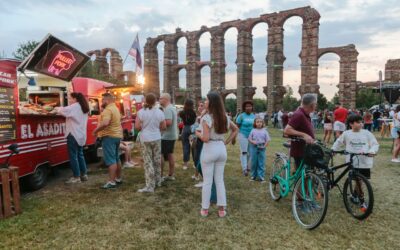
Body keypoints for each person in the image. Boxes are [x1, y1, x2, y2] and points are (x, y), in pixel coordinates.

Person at [195, 92, 238, 218]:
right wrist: (226, 142)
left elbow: (205, 138)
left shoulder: (206, 118)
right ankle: (221, 209)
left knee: (207, 181)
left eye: (207, 100)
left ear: (212, 102)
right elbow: (235, 129)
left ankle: (205, 208)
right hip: (221, 148)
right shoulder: (224, 116)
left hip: (210, 148)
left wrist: (197, 133)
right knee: (219, 180)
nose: (205, 102)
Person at [332, 114, 379, 210]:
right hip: (352, 161)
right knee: (358, 181)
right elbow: (338, 142)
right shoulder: (346, 133)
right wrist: (333, 150)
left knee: (360, 181)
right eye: (358, 122)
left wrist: (372, 151)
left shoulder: (367, 133)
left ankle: (355, 195)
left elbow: (375, 144)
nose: (361, 124)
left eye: (361, 122)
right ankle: (360, 199)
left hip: (364, 161)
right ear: (351, 124)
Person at [55, 92, 89, 184]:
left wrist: (55, 108)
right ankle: (84, 174)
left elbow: (62, 110)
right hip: (81, 134)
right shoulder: (84, 107)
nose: (69, 100)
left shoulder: (74, 106)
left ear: (75, 99)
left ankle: (76, 177)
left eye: (70, 98)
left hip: (73, 134)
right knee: (80, 155)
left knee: (73, 156)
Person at [135, 93, 166, 193]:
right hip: (156, 137)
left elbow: (137, 127)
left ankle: (150, 186)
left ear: (145, 101)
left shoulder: (141, 112)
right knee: (157, 160)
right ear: (155, 101)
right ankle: (158, 181)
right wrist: (157, 129)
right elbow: (164, 126)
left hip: (145, 138)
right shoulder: (160, 112)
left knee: (148, 162)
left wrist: (144, 126)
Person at [93, 93, 123, 189]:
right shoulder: (115, 108)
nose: (101, 102)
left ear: (107, 100)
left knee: (110, 160)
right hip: (116, 136)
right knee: (116, 158)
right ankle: (118, 178)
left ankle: (111, 182)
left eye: (102, 100)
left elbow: (105, 123)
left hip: (109, 137)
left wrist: (96, 131)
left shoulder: (107, 110)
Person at [283, 94, 316, 168]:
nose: (316, 106)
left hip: (305, 150)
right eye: (315, 104)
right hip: (300, 151)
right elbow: (287, 130)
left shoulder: (305, 114)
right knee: (301, 176)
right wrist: (304, 135)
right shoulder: (299, 114)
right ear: (312, 105)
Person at [159, 93, 178, 180]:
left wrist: (159, 125)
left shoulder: (168, 109)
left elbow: (168, 122)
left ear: (166, 99)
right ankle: (170, 174)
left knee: (161, 154)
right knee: (170, 154)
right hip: (171, 135)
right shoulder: (171, 108)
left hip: (167, 136)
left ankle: (161, 175)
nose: (159, 100)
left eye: (161, 98)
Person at [235, 101, 256, 176]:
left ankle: (248, 167)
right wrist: (235, 137)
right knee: (244, 152)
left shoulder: (254, 116)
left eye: (250, 106)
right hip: (242, 135)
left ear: (252, 107)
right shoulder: (241, 116)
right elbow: (236, 127)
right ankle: (244, 169)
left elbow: (256, 126)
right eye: (247, 106)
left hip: (252, 136)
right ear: (244, 108)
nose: (248, 108)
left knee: (250, 152)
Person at [248, 117, 270, 182]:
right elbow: (249, 138)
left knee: (261, 162)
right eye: (257, 122)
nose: (259, 123)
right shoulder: (253, 130)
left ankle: (261, 177)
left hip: (262, 148)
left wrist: (264, 146)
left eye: (260, 122)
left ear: (263, 123)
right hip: (254, 147)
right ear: (255, 123)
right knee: (254, 162)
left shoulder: (265, 131)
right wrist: (252, 142)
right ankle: (253, 176)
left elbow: (267, 140)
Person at [178, 99, 197, 170]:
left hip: (185, 128)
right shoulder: (193, 112)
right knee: (194, 147)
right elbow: (195, 121)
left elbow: (179, 116)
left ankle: (185, 164)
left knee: (185, 146)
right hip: (192, 128)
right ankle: (195, 164)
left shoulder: (182, 112)